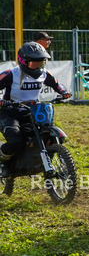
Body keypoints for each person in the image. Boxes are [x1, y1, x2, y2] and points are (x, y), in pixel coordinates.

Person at [0, 42, 73, 176]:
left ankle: (45, 160)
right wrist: (2, 101)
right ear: (23, 62)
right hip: (11, 112)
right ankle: (3, 162)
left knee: (48, 134)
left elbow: (57, 84)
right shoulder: (11, 74)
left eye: (41, 63)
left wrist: (64, 92)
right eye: (35, 63)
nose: (38, 66)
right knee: (15, 140)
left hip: (32, 111)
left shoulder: (44, 74)